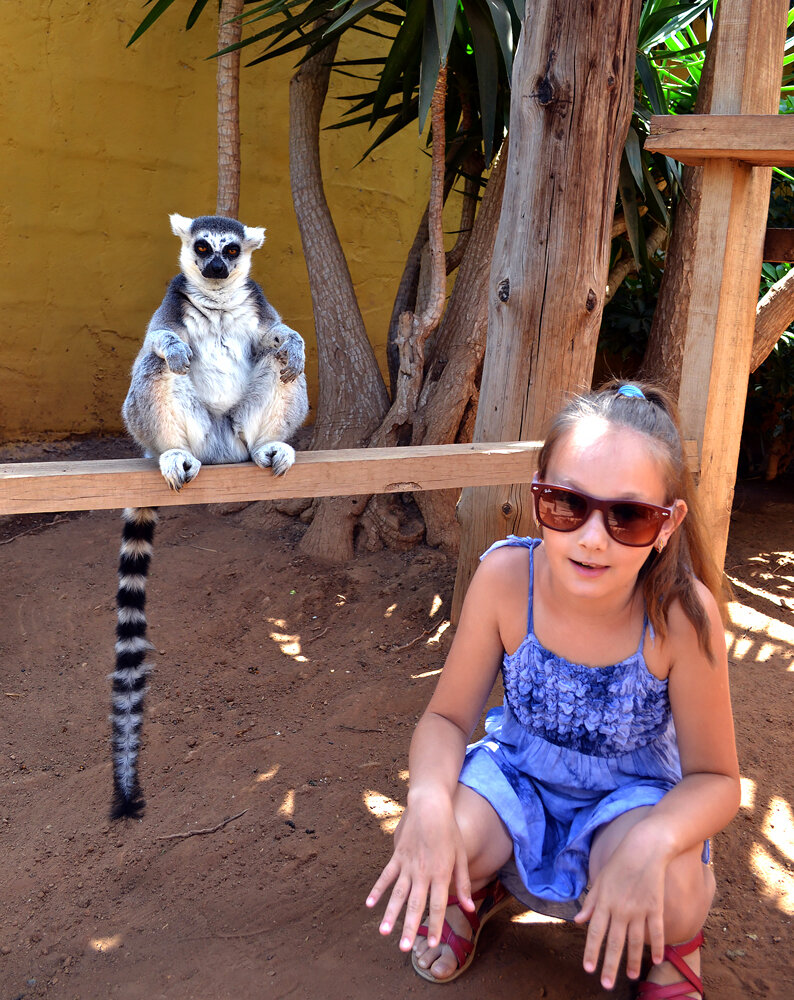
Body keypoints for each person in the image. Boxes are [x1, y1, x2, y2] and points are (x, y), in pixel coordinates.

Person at [366, 381, 740, 998]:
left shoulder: (681, 615)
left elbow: (718, 780)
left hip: (630, 802)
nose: (593, 537)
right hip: (517, 782)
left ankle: (674, 946)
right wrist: (428, 798)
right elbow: (446, 720)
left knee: (672, 889)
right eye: (568, 504)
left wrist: (655, 839)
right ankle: (479, 881)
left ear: (668, 524)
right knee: (444, 829)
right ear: (537, 492)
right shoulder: (507, 579)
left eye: (628, 515)